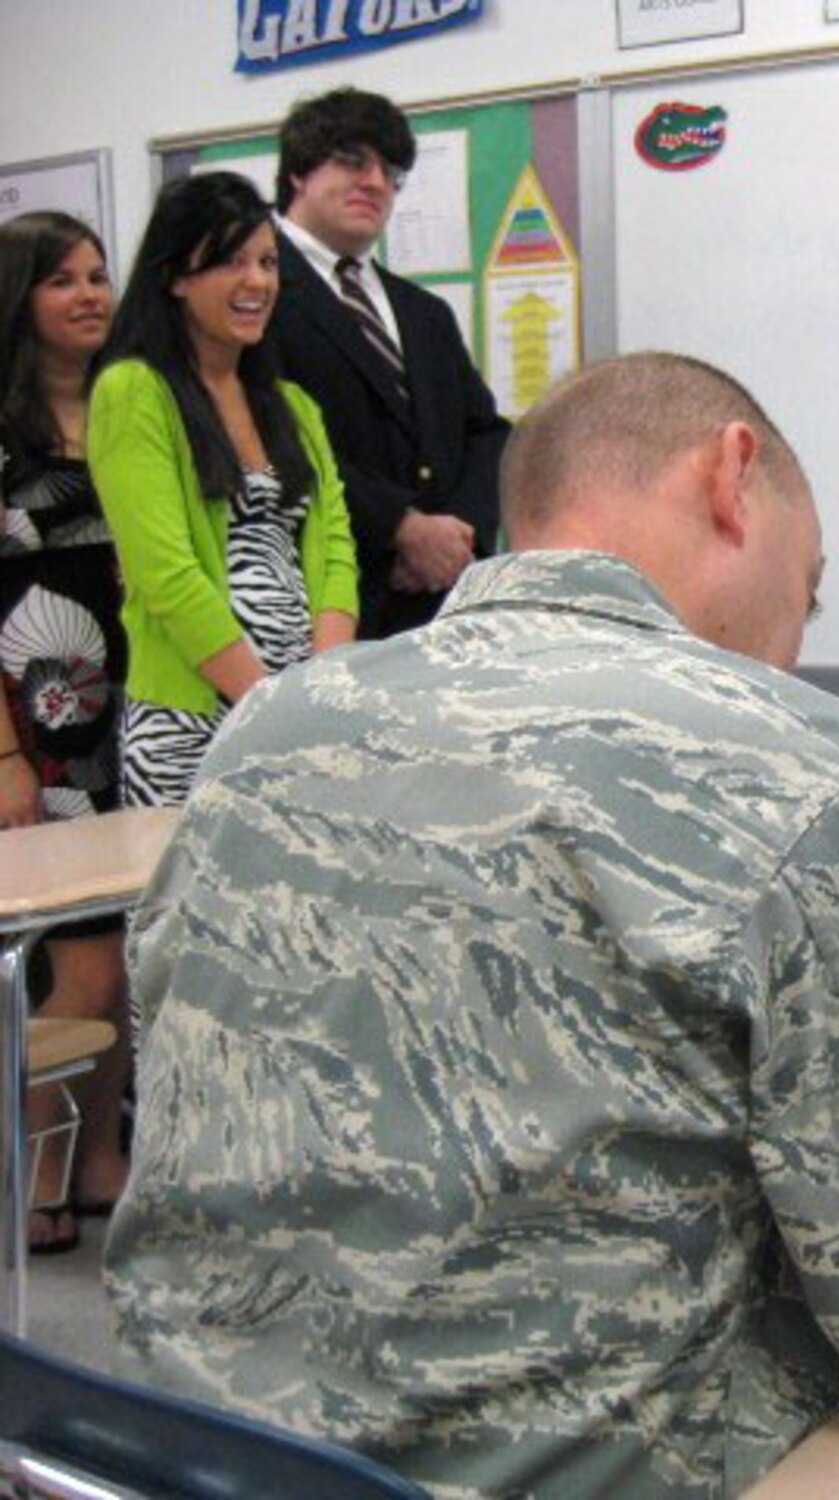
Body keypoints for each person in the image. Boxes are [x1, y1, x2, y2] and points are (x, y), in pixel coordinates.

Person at [104, 352, 839, 1498]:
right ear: (733, 476)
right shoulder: (809, 773)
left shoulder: (265, 738)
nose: (796, 639)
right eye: (808, 587)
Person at [89, 171, 358, 808]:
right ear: (177, 275)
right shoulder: (133, 392)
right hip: (192, 724)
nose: (258, 282)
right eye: (233, 261)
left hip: (296, 716)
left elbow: (336, 553)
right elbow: (166, 573)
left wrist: (313, 697)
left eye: (267, 262)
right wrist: (268, 706)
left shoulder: (293, 407)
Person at [0, 210, 130, 1253]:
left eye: (99, 276)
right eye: (63, 281)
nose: (90, 295)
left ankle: (98, 1160)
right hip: (41, 720)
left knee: (126, 956)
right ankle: (42, 1165)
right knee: (75, 965)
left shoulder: (132, 407)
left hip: (137, 707)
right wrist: (3, 755)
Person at [270, 86, 509, 639]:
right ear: (298, 173)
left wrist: (455, 542)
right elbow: (269, 438)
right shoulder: (254, 295)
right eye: (352, 161)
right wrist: (398, 527)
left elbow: (485, 432)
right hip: (321, 608)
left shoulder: (423, 311)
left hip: (440, 607)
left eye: (390, 171)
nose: (375, 182)